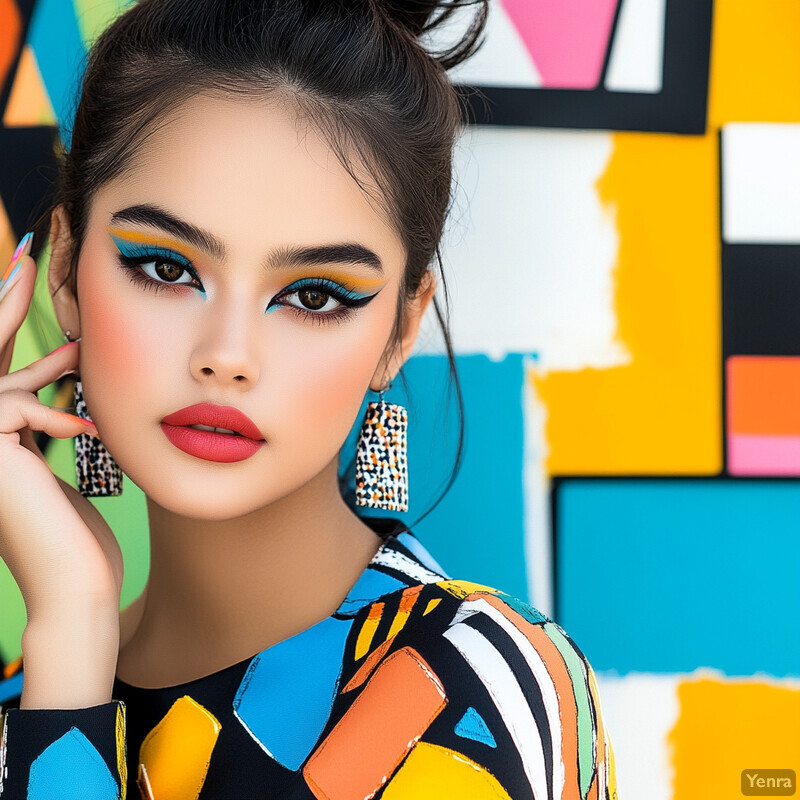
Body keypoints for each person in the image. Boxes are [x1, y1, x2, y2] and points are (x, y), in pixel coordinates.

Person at [0, 1, 618, 797]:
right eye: (164, 267)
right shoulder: (38, 691)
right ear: (66, 275)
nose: (226, 356)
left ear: (400, 329)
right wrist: (73, 620)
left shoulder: (476, 682)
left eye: (316, 295)